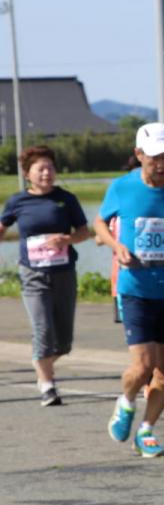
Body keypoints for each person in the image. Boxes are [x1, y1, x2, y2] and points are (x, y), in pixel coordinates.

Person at [95, 123, 164, 457]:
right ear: (139, 155)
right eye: (155, 157)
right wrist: (116, 246)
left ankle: (147, 430)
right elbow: (99, 223)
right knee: (143, 366)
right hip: (135, 287)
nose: (162, 164)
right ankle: (127, 401)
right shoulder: (122, 188)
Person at [0, 146, 90, 406]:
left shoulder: (66, 199)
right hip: (32, 273)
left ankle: (41, 363)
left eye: (50, 167)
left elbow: (84, 232)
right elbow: (2, 227)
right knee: (42, 329)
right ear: (28, 174)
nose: (47, 173)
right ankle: (47, 385)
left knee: (63, 342)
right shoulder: (18, 201)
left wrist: (68, 238)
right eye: (40, 169)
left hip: (63, 273)